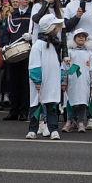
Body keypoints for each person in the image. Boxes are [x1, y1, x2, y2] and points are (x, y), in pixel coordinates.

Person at [26, 12, 64, 140]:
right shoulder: (38, 45)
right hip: (40, 82)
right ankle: (33, 129)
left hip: (52, 81)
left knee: (52, 105)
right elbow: (34, 64)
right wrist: (37, 80)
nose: (58, 29)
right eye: (55, 27)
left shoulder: (55, 45)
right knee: (36, 104)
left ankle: (53, 129)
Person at [0, 0, 33, 121]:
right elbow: (5, 33)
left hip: (27, 52)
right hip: (13, 52)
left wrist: (31, 37)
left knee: (25, 82)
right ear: (18, 0)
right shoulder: (11, 16)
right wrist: (5, 45)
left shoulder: (32, 15)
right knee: (12, 81)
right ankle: (13, 110)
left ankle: (24, 111)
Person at [64, 28, 92, 131]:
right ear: (74, 39)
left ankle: (81, 122)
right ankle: (69, 121)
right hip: (72, 81)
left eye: (83, 36)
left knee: (83, 101)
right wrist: (64, 81)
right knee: (70, 101)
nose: (81, 38)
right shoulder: (69, 52)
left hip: (84, 82)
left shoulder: (89, 53)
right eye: (79, 36)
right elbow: (64, 67)